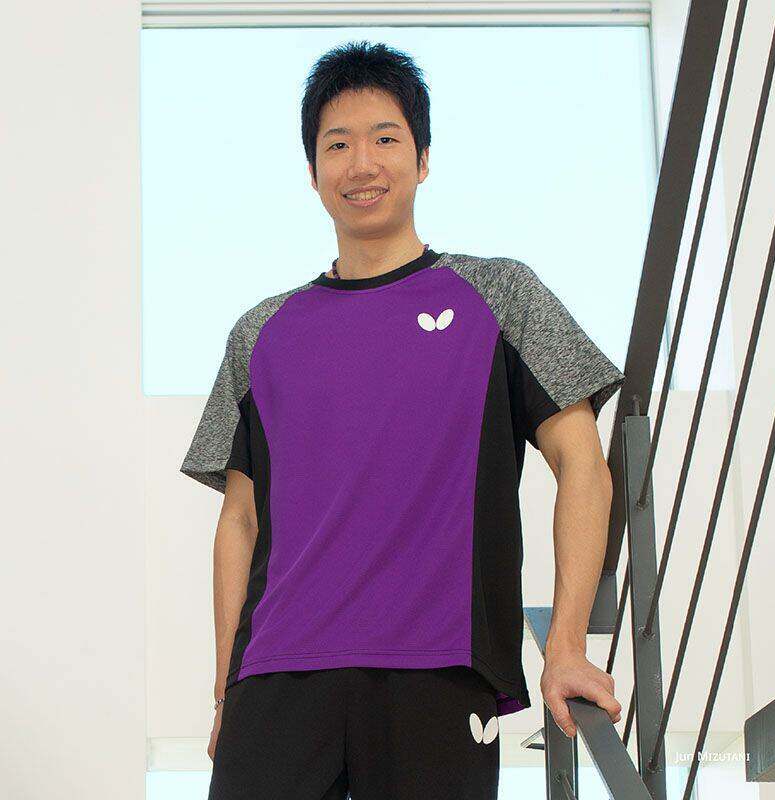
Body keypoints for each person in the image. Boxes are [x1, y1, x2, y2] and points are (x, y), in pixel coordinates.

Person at [180, 39, 625, 800]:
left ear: (422, 160)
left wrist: (566, 644)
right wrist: (228, 688)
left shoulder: (501, 295)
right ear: (313, 171)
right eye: (337, 145)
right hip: (277, 676)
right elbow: (240, 520)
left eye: (385, 139)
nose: (362, 163)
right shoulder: (262, 332)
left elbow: (583, 464)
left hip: (437, 671)